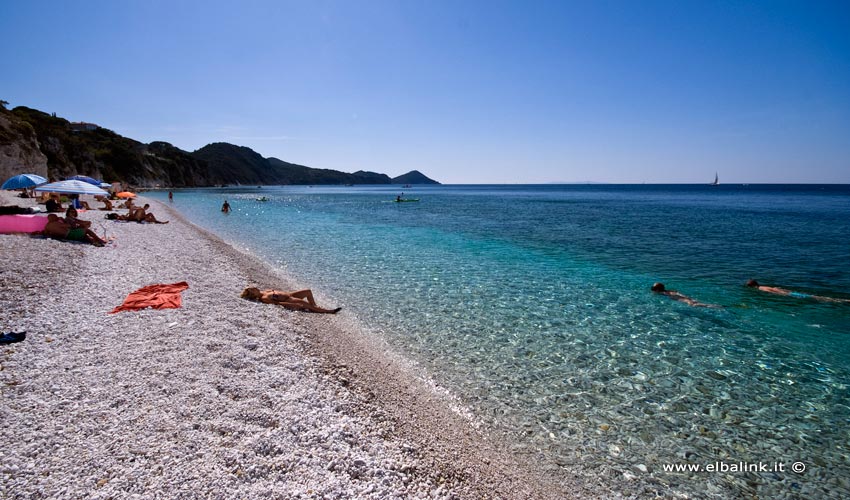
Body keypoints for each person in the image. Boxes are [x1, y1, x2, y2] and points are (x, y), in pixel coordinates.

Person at [240, 287, 342, 314]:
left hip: (290, 294)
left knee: (308, 291)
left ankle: (314, 306)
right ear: (254, 294)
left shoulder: (264, 291)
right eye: (253, 289)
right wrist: (291, 304)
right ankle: (329, 311)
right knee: (306, 304)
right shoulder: (264, 298)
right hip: (290, 299)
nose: (255, 287)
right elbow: (278, 303)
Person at [746, 280, 850, 303]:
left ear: (752, 286)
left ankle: (842, 301)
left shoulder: (761, 289)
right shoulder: (764, 285)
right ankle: (842, 300)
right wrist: (787, 292)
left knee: (816, 298)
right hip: (790, 292)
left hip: (788, 295)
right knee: (813, 296)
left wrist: (784, 296)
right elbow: (777, 288)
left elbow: (774, 293)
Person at [651, 283, 720, 308]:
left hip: (686, 301)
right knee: (704, 304)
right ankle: (719, 306)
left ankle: (720, 307)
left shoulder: (664, 293)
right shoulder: (670, 291)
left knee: (705, 305)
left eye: (653, 288)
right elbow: (678, 293)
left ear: (657, 289)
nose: (652, 289)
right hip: (688, 299)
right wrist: (687, 297)